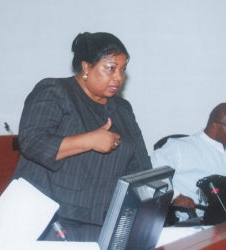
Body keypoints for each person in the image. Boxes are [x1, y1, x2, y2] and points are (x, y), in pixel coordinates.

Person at [12, 32, 152, 242]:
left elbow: (140, 166)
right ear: (87, 66)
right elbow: (32, 142)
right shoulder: (55, 91)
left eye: (122, 70)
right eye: (111, 68)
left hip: (103, 221)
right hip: (53, 220)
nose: (118, 77)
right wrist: (90, 141)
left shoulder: (122, 109)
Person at [150, 103, 226, 218]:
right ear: (216, 126)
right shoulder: (181, 148)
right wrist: (175, 196)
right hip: (199, 221)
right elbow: (152, 173)